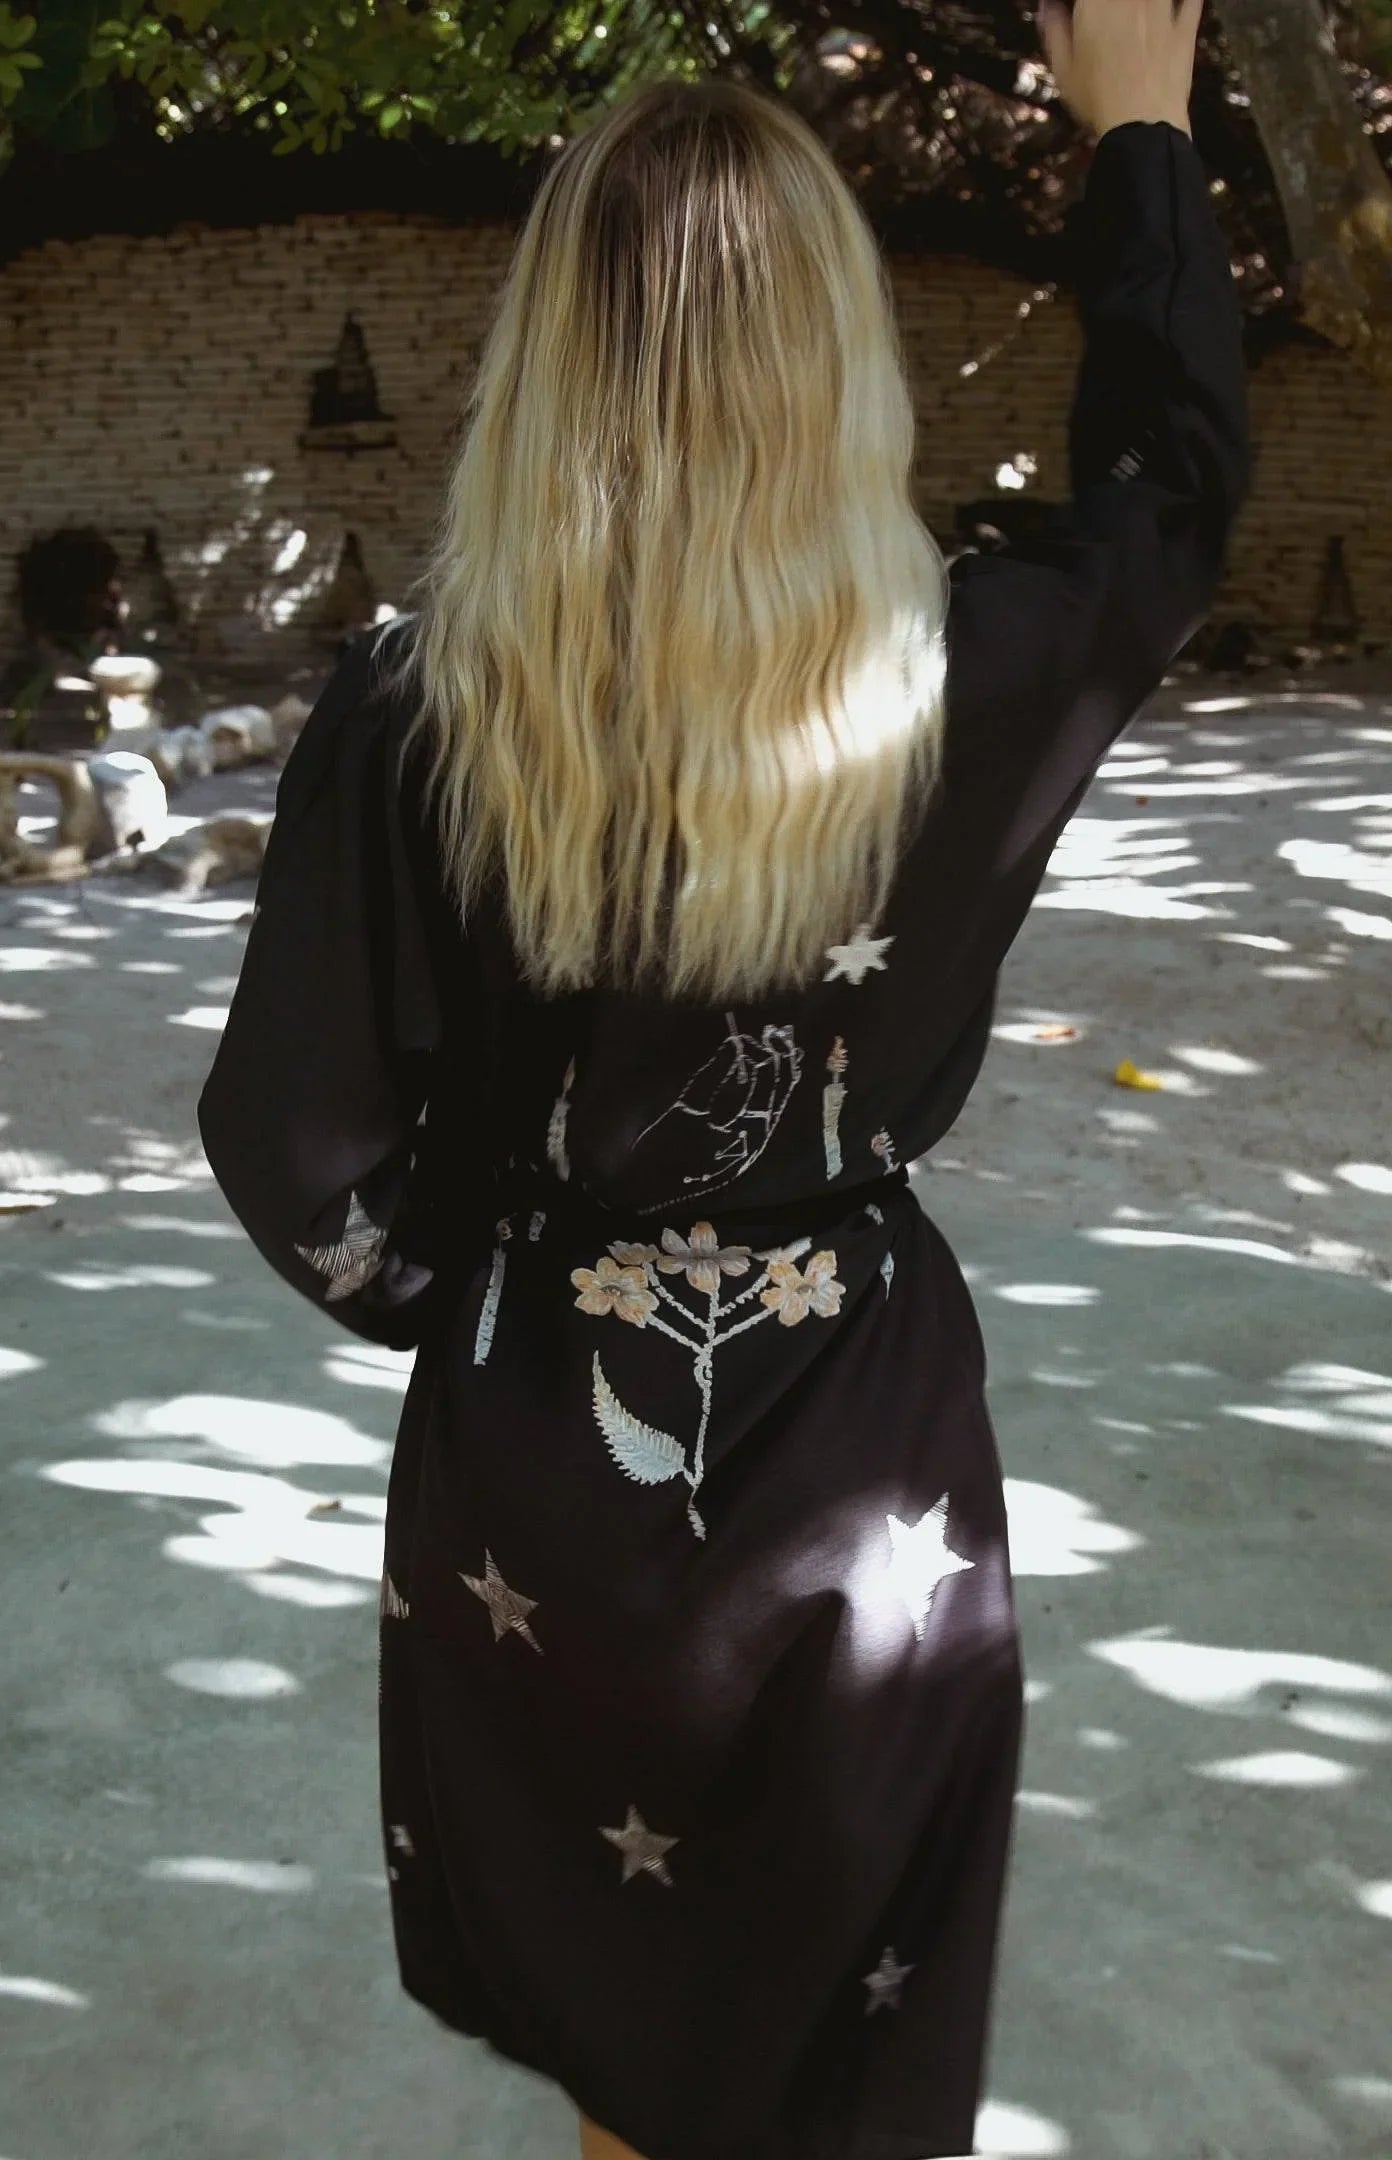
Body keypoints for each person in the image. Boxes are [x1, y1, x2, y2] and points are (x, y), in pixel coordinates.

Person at [198, 2, 1250, 2153]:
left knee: (628, 2028)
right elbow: (1175, 483)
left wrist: (490, 1295)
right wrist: (1138, 135)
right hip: (859, 1435)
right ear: (836, 355)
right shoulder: (978, 664)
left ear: (553, 352)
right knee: (832, 2029)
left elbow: (297, 1146)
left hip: (536, 1454)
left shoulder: (416, 704)